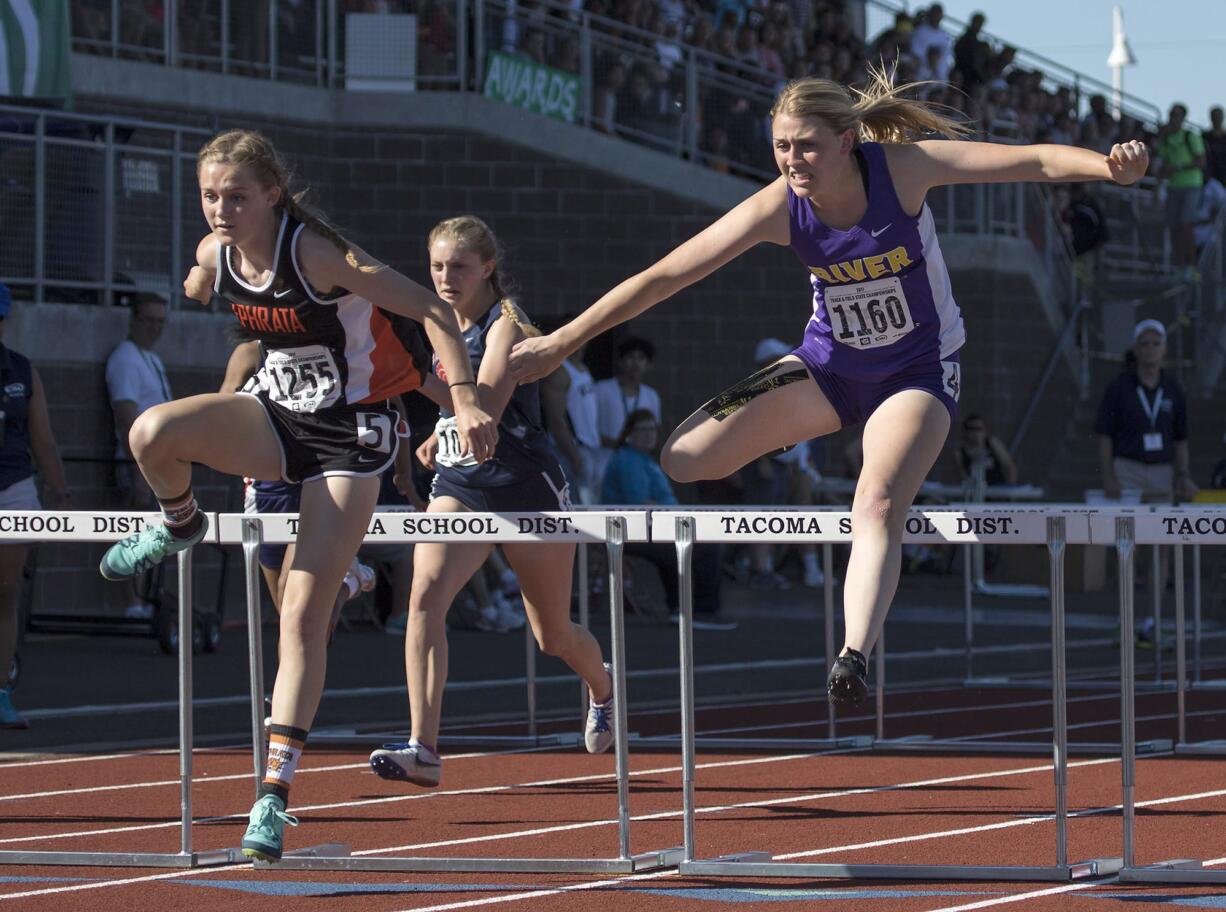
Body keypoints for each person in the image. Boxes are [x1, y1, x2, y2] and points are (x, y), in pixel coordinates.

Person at [509, 69, 1149, 708]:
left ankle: (854, 655)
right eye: (782, 147)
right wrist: (562, 342)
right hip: (824, 368)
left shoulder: (902, 170)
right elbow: (664, 276)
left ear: (848, 141)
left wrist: (1107, 168)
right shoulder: (779, 207)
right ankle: (794, 432)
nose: (792, 161)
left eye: (806, 146)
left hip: (917, 374)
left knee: (875, 501)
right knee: (683, 455)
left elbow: (1030, 160)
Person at [96, 129, 497, 861]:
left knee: (303, 615)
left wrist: (463, 401)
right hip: (278, 416)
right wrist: (196, 280)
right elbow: (202, 266)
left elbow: (433, 312)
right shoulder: (220, 251)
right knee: (154, 433)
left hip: (351, 434)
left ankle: (272, 798)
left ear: (274, 195)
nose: (221, 210)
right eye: (210, 196)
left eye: (238, 197)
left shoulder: (315, 254)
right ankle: (181, 522)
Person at [368, 215, 614, 789]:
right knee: (424, 595)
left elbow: (483, 411)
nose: (445, 277)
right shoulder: (438, 322)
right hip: (461, 485)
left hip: (526, 486)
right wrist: (434, 424)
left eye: (458, 266)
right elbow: (458, 414)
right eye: (435, 266)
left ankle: (602, 685)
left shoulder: (507, 326)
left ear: (487, 268)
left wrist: (406, 378)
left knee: (551, 635)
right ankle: (423, 746)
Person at [0, 284, 70, 729]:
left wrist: (61, 491)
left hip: (13, 489)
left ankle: (1, 690)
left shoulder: (21, 370)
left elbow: (42, 438)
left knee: (5, 593)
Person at [602, 408, 726, 624]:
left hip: (655, 526)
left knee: (686, 542)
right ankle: (704, 612)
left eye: (652, 429)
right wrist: (679, 515)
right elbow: (639, 504)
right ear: (629, 433)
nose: (649, 434)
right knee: (706, 545)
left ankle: (677, 608)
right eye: (642, 430)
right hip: (632, 530)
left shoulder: (646, 460)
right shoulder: (628, 460)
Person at [105, 291, 172, 620]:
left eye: (160, 322)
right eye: (148, 320)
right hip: (137, 461)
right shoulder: (126, 358)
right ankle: (132, 602)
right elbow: (125, 413)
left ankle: (145, 599)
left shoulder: (153, 359)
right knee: (133, 528)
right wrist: (138, 466)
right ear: (133, 320)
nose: (154, 328)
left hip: (158, 462)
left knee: (152, 531)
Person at [1095, 319, 1196, 505]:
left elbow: (1181, 438)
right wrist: (1108, 477)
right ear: (1135, 349)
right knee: (1126, 528)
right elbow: (1105, 435)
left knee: (1159, 530)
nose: (1150, 349)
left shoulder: (1174, 389)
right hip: (1128, 469)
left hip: (1162, 471)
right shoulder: (1118, 387)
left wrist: (1183, 474)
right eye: (1144, 344)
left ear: (1164, 349)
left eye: (1156, 344)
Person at [594, 336, 661, 487]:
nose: (636, 363)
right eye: (631, 357)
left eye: (641, 358)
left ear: (648, 364)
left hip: (638, 465)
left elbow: (654, 432)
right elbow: (590, 428)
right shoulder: (601, 389)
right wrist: (619, 443)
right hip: (604, 462)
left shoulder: (651, 396)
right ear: (620, 361)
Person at [1154, 103, 1207, 275]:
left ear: (1183, 118)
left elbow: (1200, 161)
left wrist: (1178, 166)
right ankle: (1180, 265)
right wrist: (1157, 185)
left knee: (1186, 224)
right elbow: (1161, 165)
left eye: (1176, 115)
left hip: (1191, 185)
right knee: (1174, 227)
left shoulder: (1190, 136)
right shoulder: (1166, 139)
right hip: (1173, 187)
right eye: (1171, 114)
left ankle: (1191, 265)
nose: (1173, 118)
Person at [954, 413, 1017, 490]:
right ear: (965, 431)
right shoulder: (960, 452)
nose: (976, 433)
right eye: (971, 429)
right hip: (974, 491)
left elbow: (1009, 466)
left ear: (984, 430)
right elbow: (962, 476)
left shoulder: (992, 443)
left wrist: (1009, 489)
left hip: (997, 490)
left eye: (979, 428)